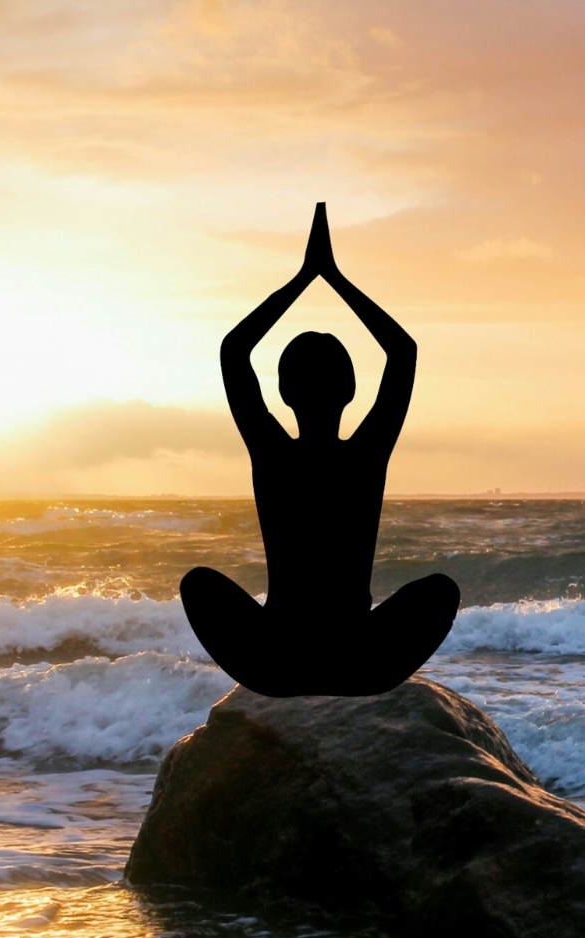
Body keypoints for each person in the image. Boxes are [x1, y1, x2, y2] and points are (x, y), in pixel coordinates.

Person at [180, 203, 460, 696]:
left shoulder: (271, 451)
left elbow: (233, 351)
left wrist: (304, 278)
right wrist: (334, 279)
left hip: (278, 663)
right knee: (441, 591)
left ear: (285, 393)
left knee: (197, 584)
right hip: (357, 662)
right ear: (350, 391)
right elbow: (403, 352)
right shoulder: (366, 454)